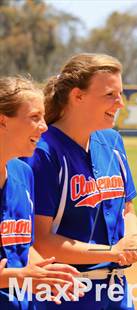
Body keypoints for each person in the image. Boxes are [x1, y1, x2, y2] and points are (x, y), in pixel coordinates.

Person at [23, 54, 137, 309]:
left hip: (116, 290)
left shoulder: (112, 142)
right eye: (110, 95)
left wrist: (134, 241)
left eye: (120, 94)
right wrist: (112, 251)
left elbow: (127, 208)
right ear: (78, 96)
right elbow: (39, 239)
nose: (120, 104)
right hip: (65, 293)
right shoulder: (44, 151)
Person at [0, 76, 83, 309]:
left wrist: (47, 274)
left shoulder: (23, 173)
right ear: (3, 121)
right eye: (34, 118)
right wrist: (20, 277)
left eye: (44, 117)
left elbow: (23, 249)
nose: (44, 126)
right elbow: (18, 274)